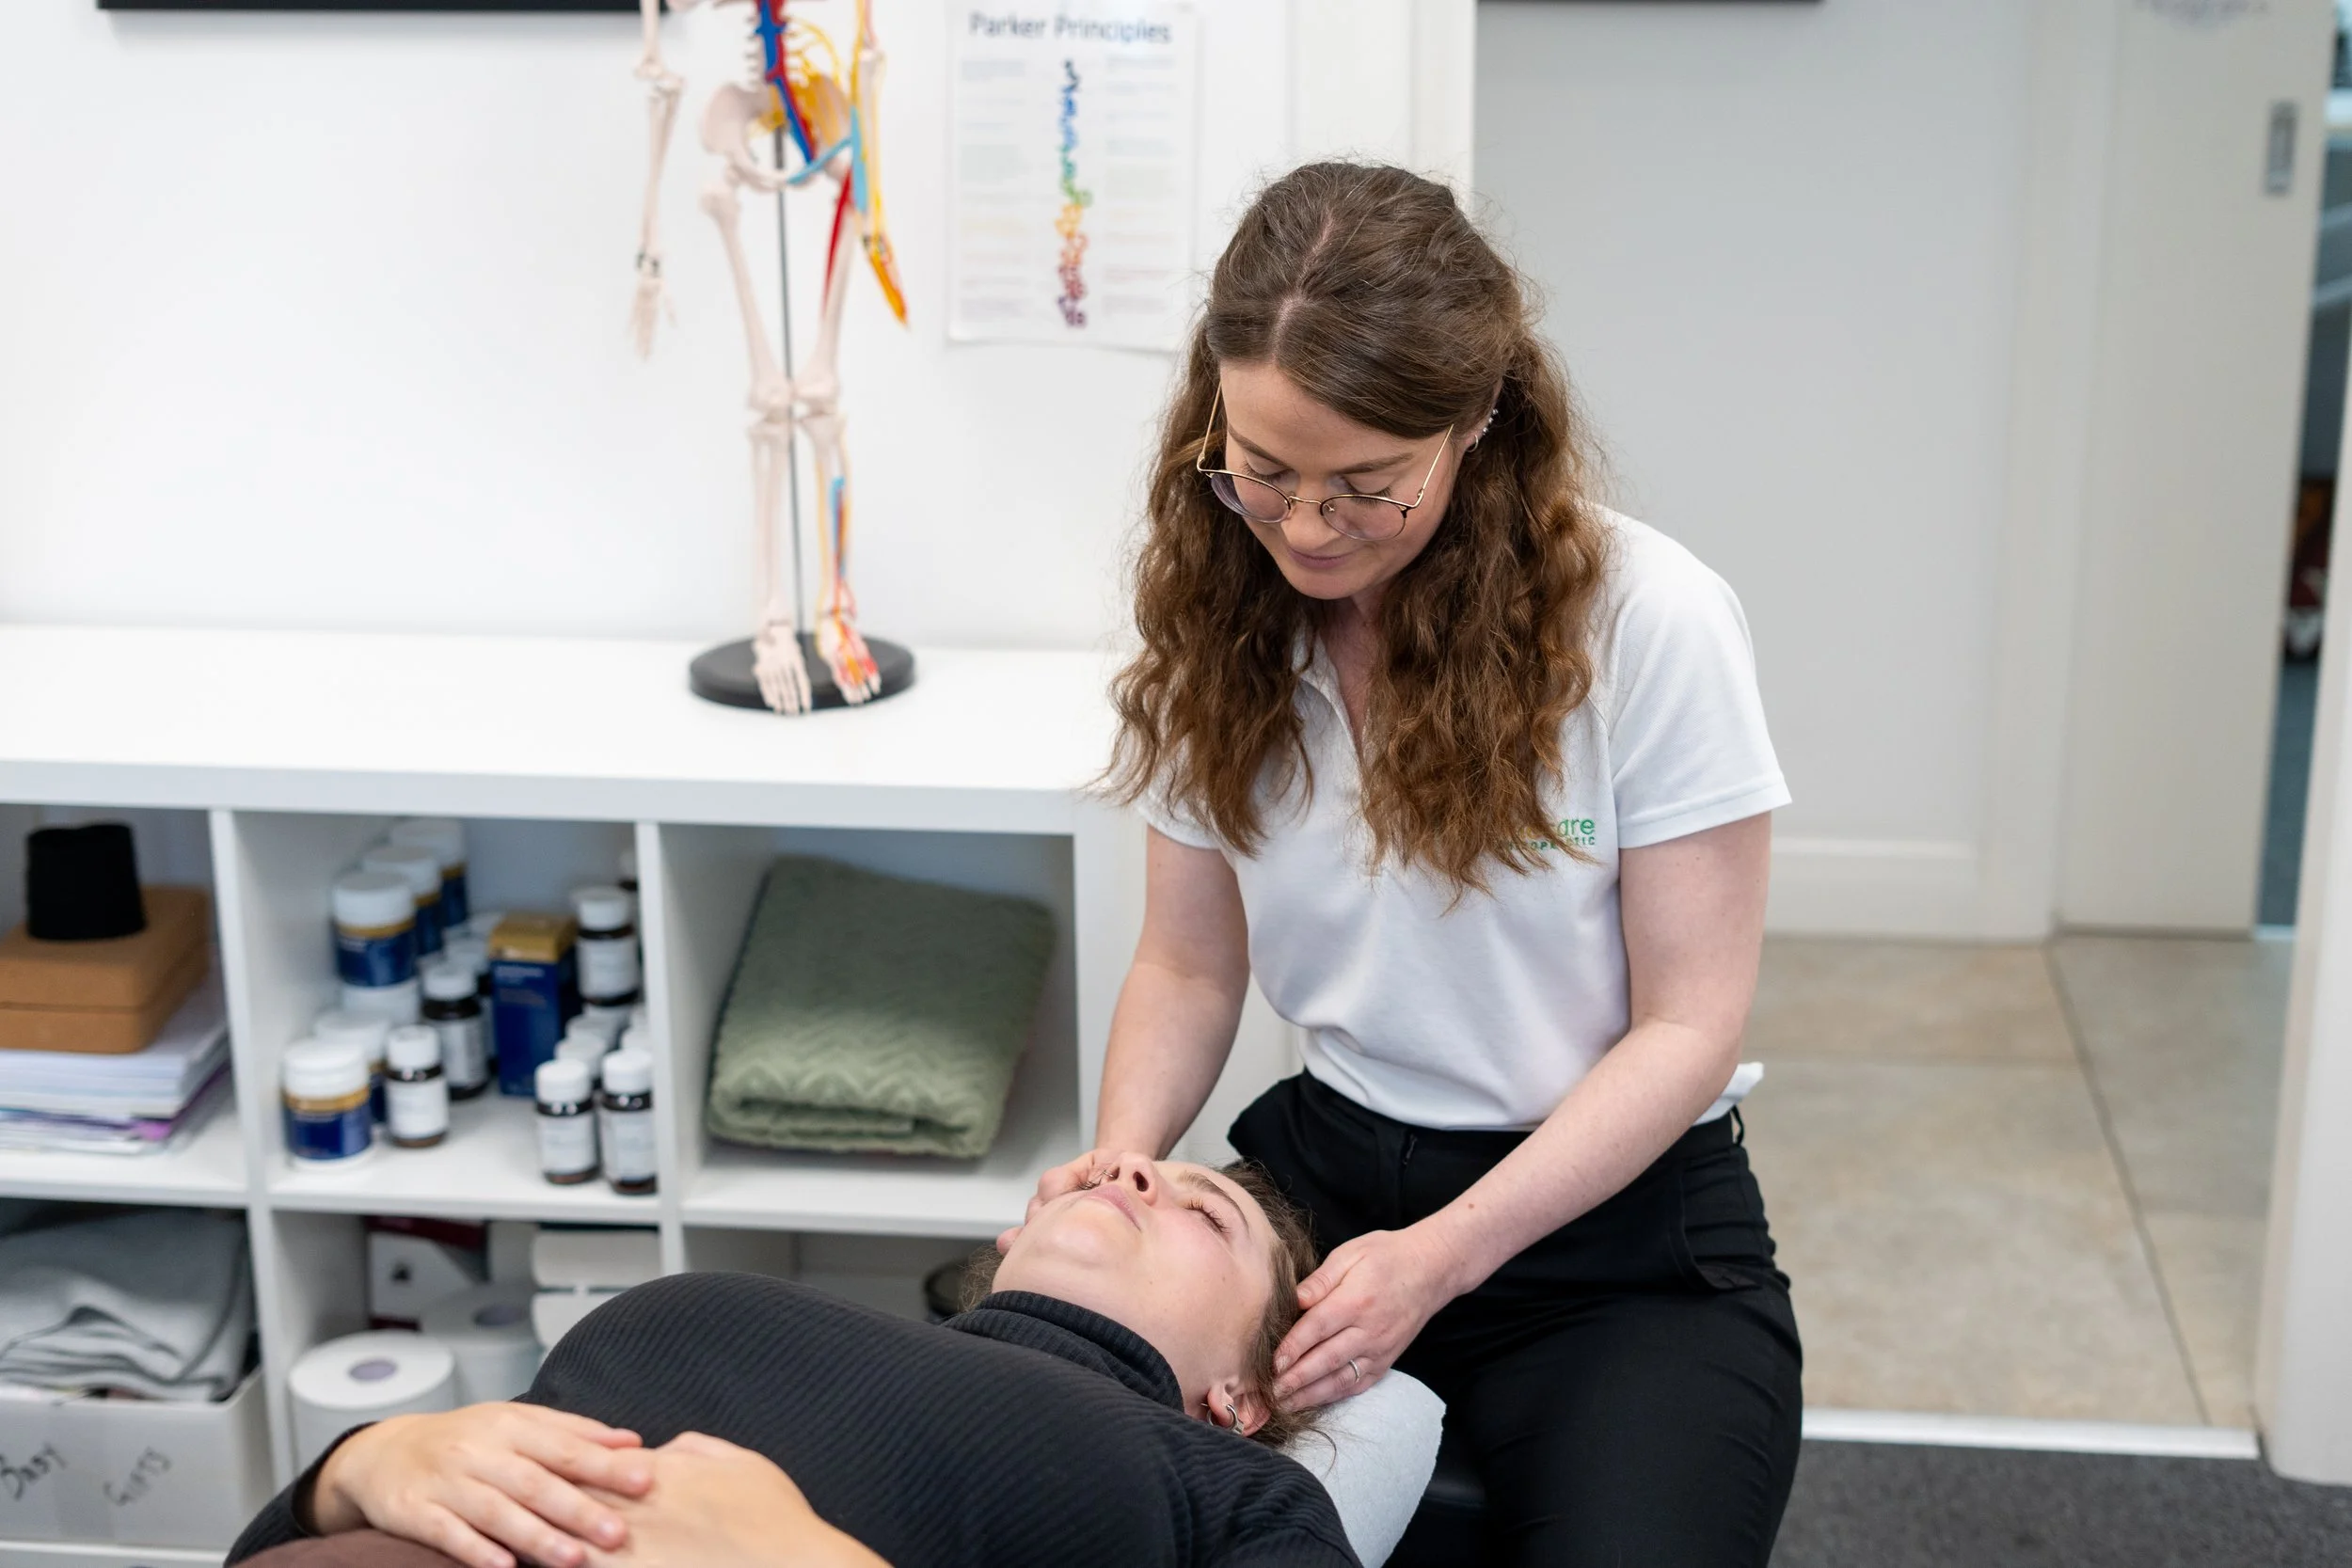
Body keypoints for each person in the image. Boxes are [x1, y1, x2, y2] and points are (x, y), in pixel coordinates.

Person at [1029, 161, 1804, 1566]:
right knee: (1069, 1507)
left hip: (1610, 1241)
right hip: (1318, 1196)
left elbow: (1690, 1026)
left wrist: (1442, 1255)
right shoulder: (1223, 616)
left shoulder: (1649, 623)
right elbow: (1191, 961)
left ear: (1477, 424)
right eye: (1263, 472)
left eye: (1367, 485)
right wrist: (1122, 1168)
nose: (1308, 528)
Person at [228, 1158, 1356, 1568]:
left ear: (1241, 1395)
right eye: (1107, 1175)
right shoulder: (707, 1308)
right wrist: (364, 1461)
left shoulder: (1234, 1488)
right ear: (1010, 1242)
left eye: (1205, 1210)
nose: (1137, 1174)